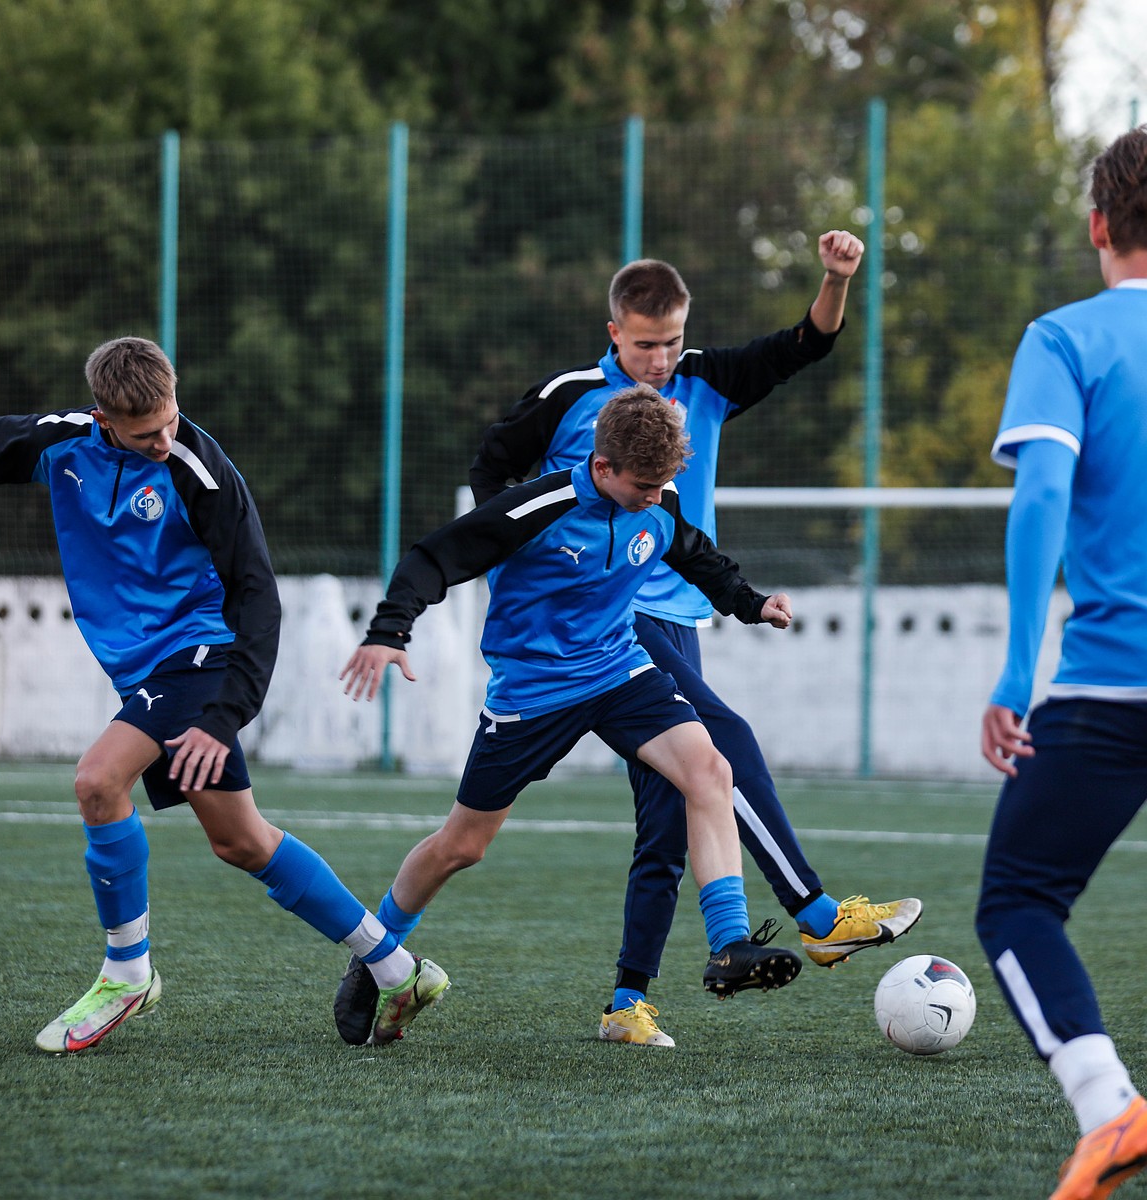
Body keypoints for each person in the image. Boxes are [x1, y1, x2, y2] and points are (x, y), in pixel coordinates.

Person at [452, 233, 920, 1047]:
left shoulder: (703, 379)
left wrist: (836, 279)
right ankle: (816, 913)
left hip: (680, 618)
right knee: (723, 743)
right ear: (614, 334)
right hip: (609, 618)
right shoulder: (570, 396)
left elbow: (805, 344)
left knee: (668, 819)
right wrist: (522, 556)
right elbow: (490, 466)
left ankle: (626, 1005)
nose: (661, 359)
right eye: (644, 344)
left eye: (671, 341)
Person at [0, 335, 447, 1053]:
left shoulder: (200, 472)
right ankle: (396, 967)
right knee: (241, 841)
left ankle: (127, 972)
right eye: (146, 432)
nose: (165, 439)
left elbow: (256, 596)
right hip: (144, 669)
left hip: (197, 656)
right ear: (103, 417)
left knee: (97, 782)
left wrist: (225, 714)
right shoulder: (57, 444)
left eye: (172, 419)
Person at [335, 386, 804, 1044]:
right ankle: (375, 957)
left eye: (664, 483)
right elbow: (432, 557)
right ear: (602, 467)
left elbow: (697, 557)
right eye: (643, 484)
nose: (654, 496)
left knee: (709, 771)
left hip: (619, 670)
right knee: (460, 848)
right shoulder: (539, 506)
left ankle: (730, 944)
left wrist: (752, 604)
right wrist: (389, 631)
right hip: (533, 691)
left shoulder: (656, 501)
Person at [976, 126, 1147, 1200]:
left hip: (1111, 685)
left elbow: (1042, 493)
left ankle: (1110, 1107)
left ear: (1097, 226)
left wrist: (1010, 671)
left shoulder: (1066, 338)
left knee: (1019, 902)